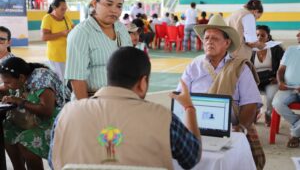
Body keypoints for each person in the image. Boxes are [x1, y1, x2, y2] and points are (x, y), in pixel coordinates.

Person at [50, 47, 201, 169]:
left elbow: (53, 161)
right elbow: (191, 158)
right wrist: (189, 108)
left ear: (108, 77)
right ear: (143, 82)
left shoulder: (66, 114)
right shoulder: (163, 118)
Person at [177, 14, 265, 170]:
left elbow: (250, 103)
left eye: (215, 38)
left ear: (227, 43)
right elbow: (180, 98)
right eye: (207, 38)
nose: (209, 41)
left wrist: (241, 127)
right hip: (195, 127)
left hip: (231, 129)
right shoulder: (193, 66)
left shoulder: (240, 68)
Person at [65, 0, 132, 100]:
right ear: (95, 3)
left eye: (119, 6)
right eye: (109, 4)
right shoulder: (81, 33)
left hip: (120, 99)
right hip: (93, 100)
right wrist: (87, 109)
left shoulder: (121, 29)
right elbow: (77, 79)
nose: (114, 10)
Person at [0, 57, 70, 170]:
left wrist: (20, 101)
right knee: (7, 131)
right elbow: (4, 87)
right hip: (36, 118)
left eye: (8, 82)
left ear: (21, 77)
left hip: (57, 119)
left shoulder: (42, 79)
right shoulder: (22, 76)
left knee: (26, 141)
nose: (6, 85)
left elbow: (47, 111)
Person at [250, 25, 284, 126]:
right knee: (248, 94)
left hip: (271, 80)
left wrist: (278, 78)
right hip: (255, 81)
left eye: (262, 35)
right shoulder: (250, 50)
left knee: (271, 95)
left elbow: (285, 65)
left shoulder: (276, 49)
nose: (259, 37)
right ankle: (254, 112)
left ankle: (268, 114)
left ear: (268, 37)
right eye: (257, 35)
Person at [272, 31, 300, 148]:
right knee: (277, 103)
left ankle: (295, 134)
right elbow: (280, 70)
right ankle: (298, 123)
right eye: (298, 34)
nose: (297, 35)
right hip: (288, 87)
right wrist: (280, 82)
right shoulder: (291, 50)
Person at [41, 0, 74, 81]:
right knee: (61, 80)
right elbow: (44, 37)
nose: (64, 11)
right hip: (56, 55)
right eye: (62, 9)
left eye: (65, 9)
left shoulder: (66, 17)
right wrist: (62, 33)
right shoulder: (47, 18)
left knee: (68, 78)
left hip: (67, 54)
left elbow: (73, 28)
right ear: (54, 8)